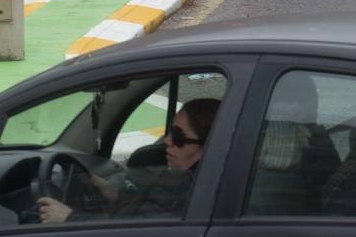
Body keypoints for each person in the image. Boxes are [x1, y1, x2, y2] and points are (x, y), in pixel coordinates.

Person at [36, 96, 220, 224]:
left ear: (209, 145)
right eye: (170, 131)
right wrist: (115, 193)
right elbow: (154, 207)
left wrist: (69, 219)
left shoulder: (203, 192)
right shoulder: (193, 179)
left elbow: (140, 232)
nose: (167, 141)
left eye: (179, 136)